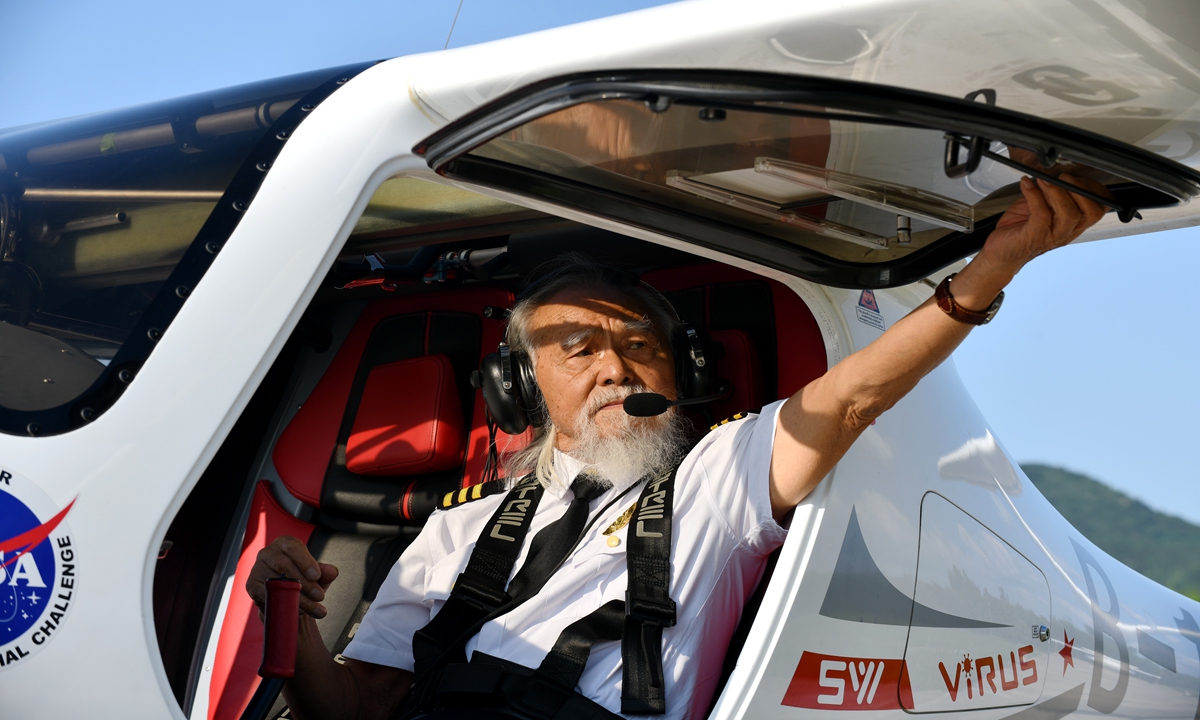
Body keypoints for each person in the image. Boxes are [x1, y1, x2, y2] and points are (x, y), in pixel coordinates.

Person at [246, 173, 1110, 720]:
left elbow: (851, 400)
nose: (615, 369)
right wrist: (291, 620)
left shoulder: (717, 481)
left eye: (640, 347)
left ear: (683, 372)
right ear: (523, 388)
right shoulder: (454, 534)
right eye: (578, 350)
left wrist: (986, 279)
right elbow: (357, 703)